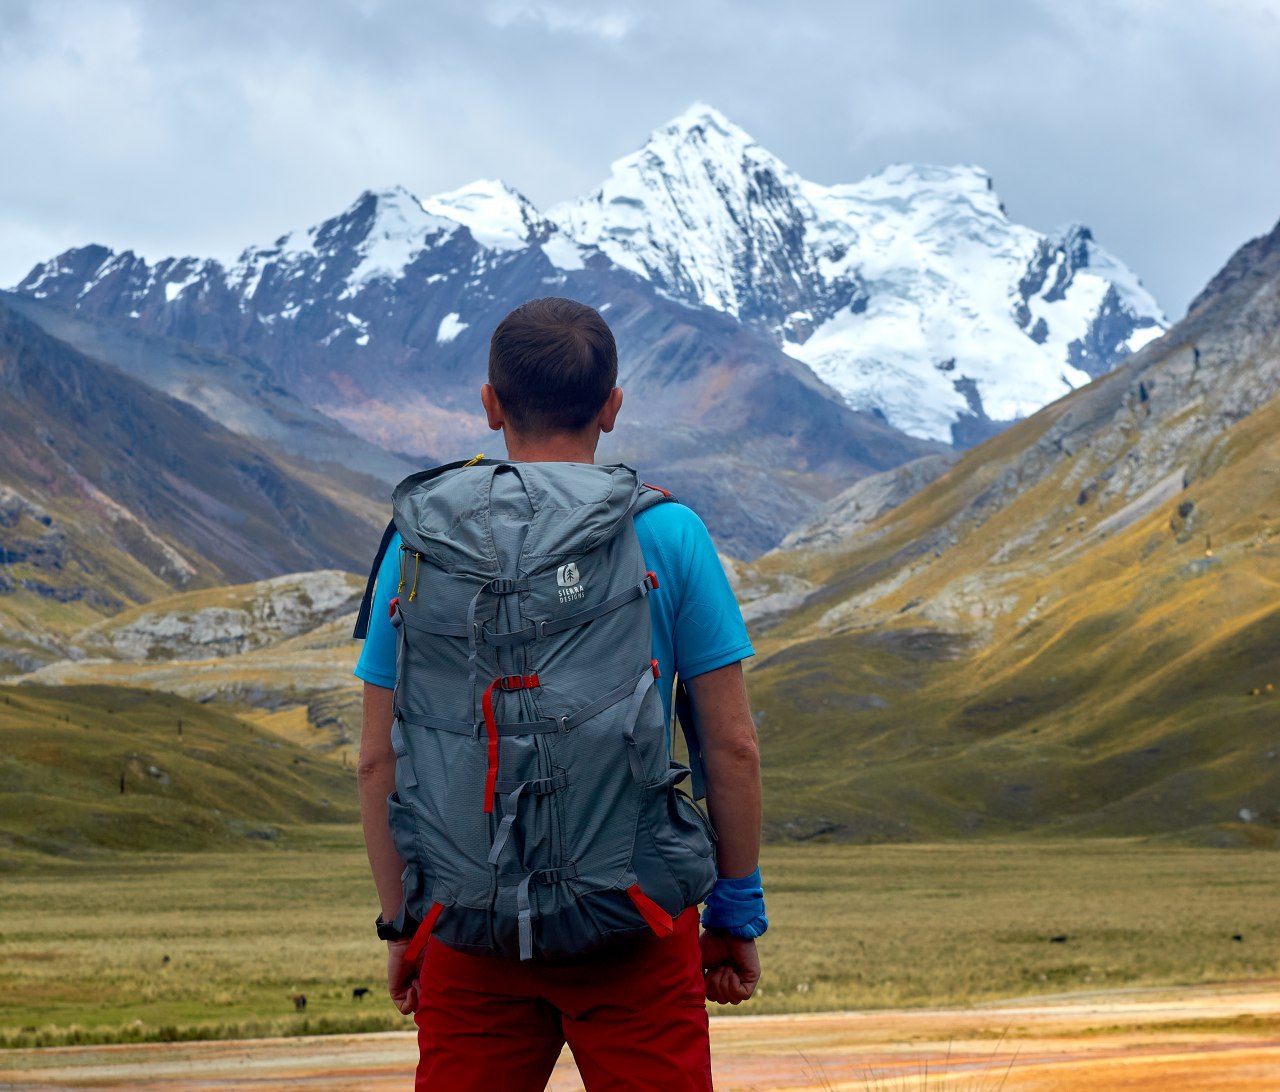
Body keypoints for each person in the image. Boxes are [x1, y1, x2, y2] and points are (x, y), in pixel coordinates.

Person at [354, 296, 765, 1090]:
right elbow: (732, 746)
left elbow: (378, 760)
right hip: (638, 927)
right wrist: (735, 912)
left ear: (490, 405)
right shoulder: (670, 534)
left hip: (469, 933)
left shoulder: (418, 540)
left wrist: (404, 923)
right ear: (612, 409)